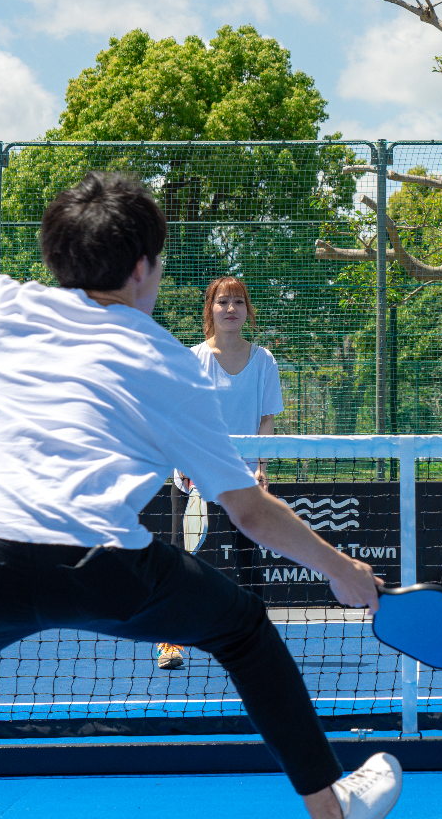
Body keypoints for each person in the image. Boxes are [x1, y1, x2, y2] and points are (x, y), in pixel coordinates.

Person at [0, 174, 402, 819]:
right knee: (243, 630)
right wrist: (340, 570)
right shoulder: (169, 364)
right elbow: (250, 511)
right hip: (103, 570)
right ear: (143, 267)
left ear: (54, 257)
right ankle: (330, 806)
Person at [157, 276, 284, 671]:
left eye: (239, 302)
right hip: (193, 471)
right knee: (180, 559)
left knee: (248, 557)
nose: (231, 309)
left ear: (247, 311)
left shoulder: (263, 361)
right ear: (210, 310)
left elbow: (266, 420)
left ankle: (255, 638)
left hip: (241, 476)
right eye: (223, 302)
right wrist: (186, 462)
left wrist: (261, 468)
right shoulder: (192, 359)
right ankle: (170, 640)